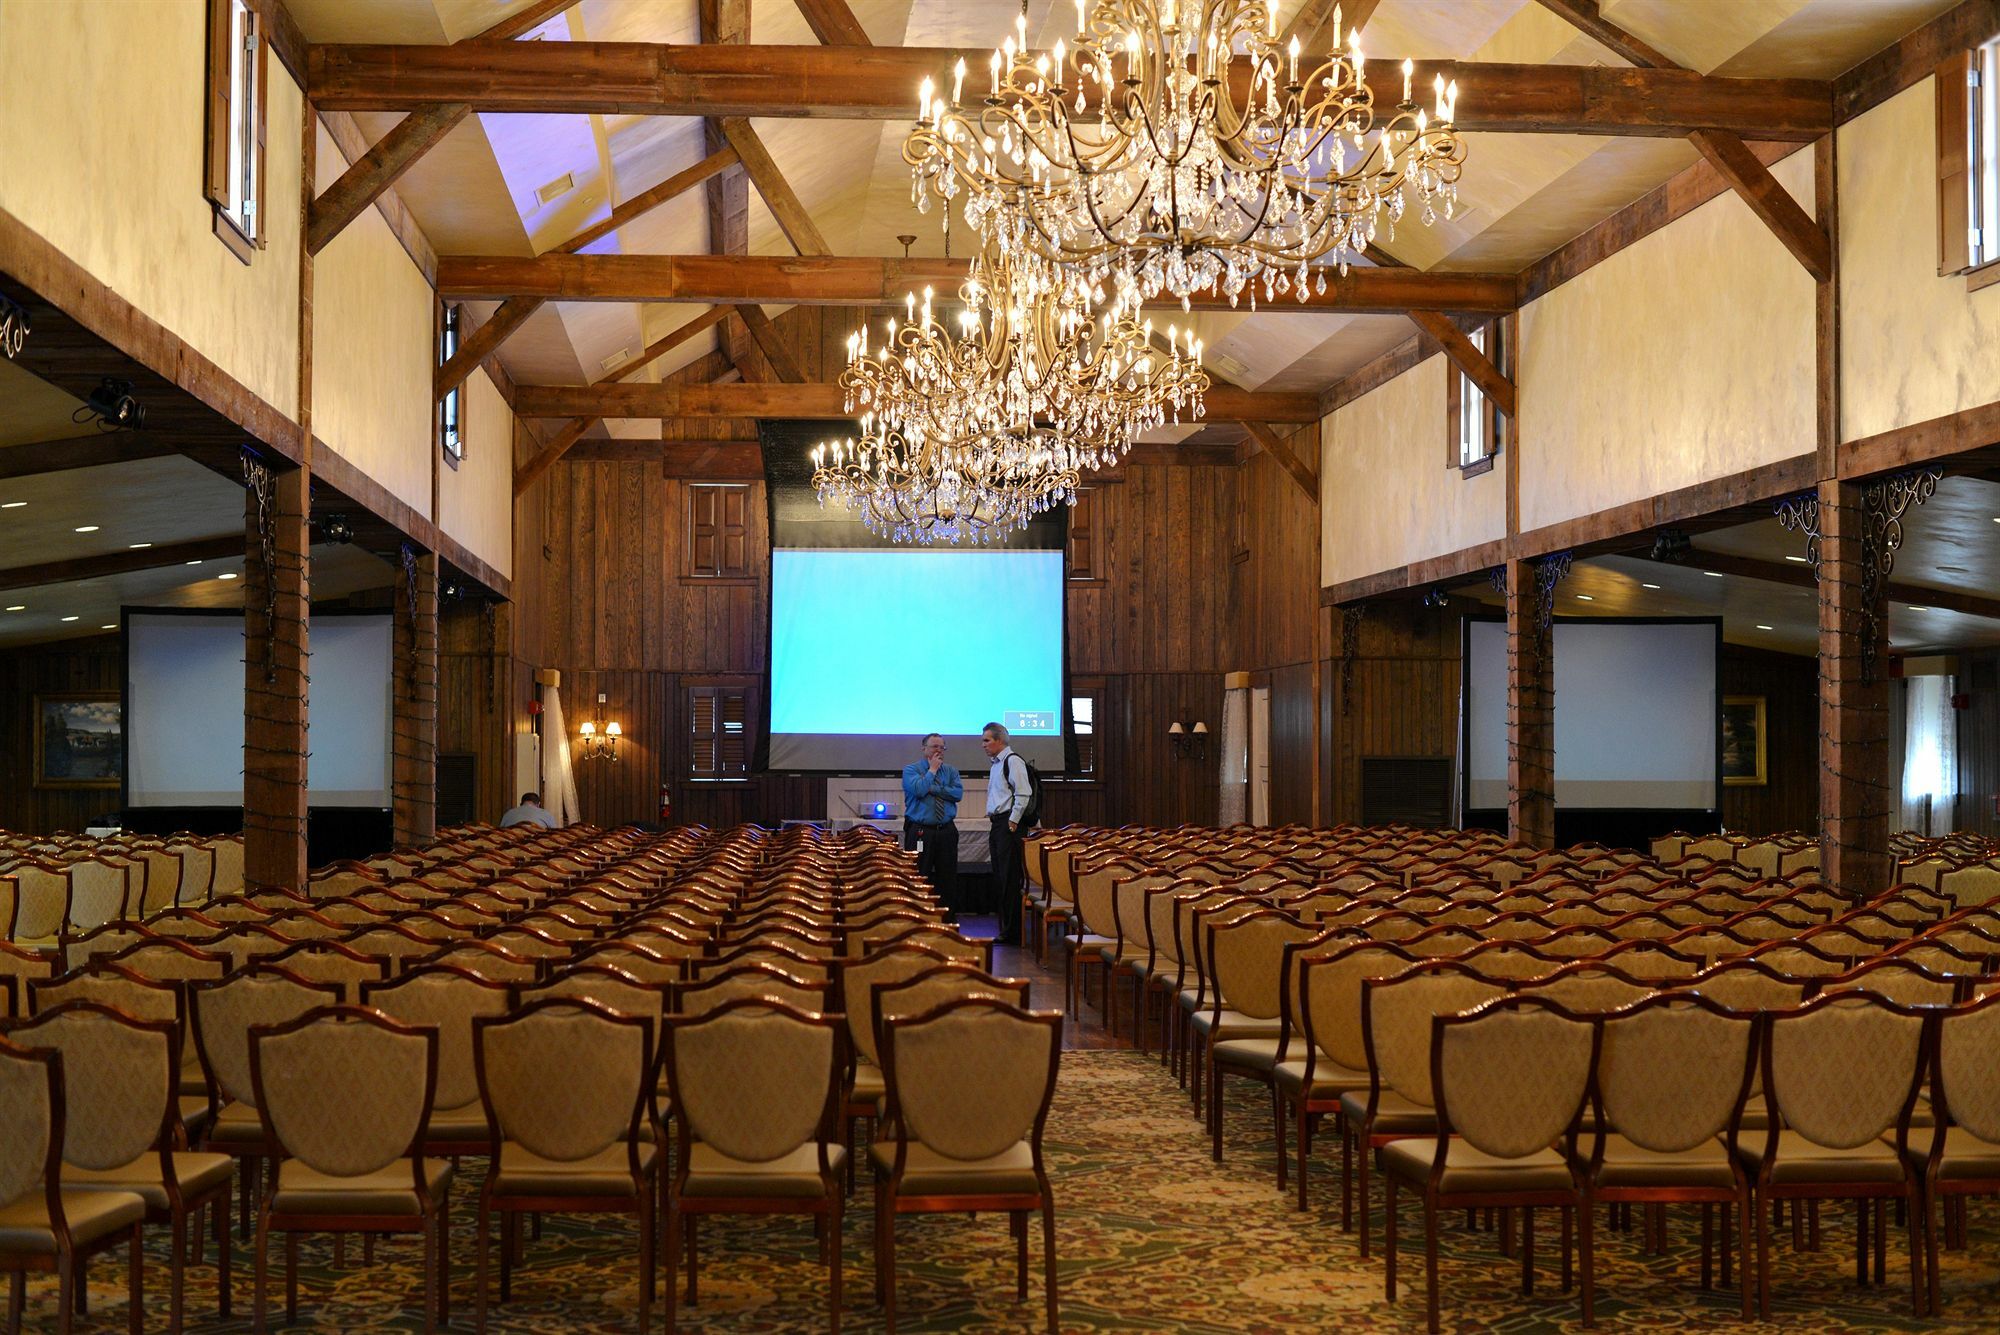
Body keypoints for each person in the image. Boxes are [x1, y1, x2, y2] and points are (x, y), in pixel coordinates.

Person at [982, 721, 1033, 945]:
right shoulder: (996, 764)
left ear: (999, 740)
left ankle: (1012, 932)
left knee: (1010, 878)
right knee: (1001, 877)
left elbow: (1024, 794)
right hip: (998, 824)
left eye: (987, 740)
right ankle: (1006, 929)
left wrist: (1012, 822)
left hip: (1008, 825)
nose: (983, 745)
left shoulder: (1013, 762)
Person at [901, 733, 963, 912]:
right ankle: (918, 915)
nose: (939, 750)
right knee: (919, 874)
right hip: (921, 832)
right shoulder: (911, 770)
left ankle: (947, 919)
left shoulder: (951, 771)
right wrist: (932, 771)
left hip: (946, 831)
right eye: (935, 746)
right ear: (924, 749)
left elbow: (957, 794)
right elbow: (919, 790)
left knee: (947, 877)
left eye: (942, 747)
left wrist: (933, 788)